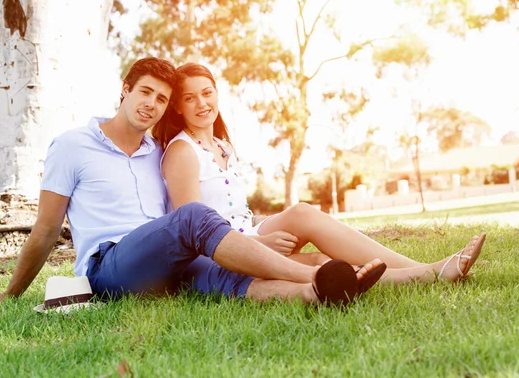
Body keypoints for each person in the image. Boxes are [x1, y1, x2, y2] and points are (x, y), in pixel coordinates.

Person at [0, 57, 380, 307]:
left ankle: (318, 293)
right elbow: (47, 229)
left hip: (169, 260)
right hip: (110, 267)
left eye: (161, 99)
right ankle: (311, 277)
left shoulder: (158, 151)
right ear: (125, 91)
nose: (151, 104)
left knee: (230, 274)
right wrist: (11, 293)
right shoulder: (72, 146)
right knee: (193, 217)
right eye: (145, 92)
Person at [153, 62, 486, 288]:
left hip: (248, 233)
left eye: (207, 92)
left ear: (216, 93)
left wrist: (259, 236)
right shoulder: (182, 152)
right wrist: (256, 244)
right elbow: (193, 233)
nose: (202, 103)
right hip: (220, 253)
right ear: (178, 107)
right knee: (319, 260)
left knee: (305, 218)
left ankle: (423, 270)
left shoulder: (224, 146)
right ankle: (428, 273)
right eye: (189, 97)